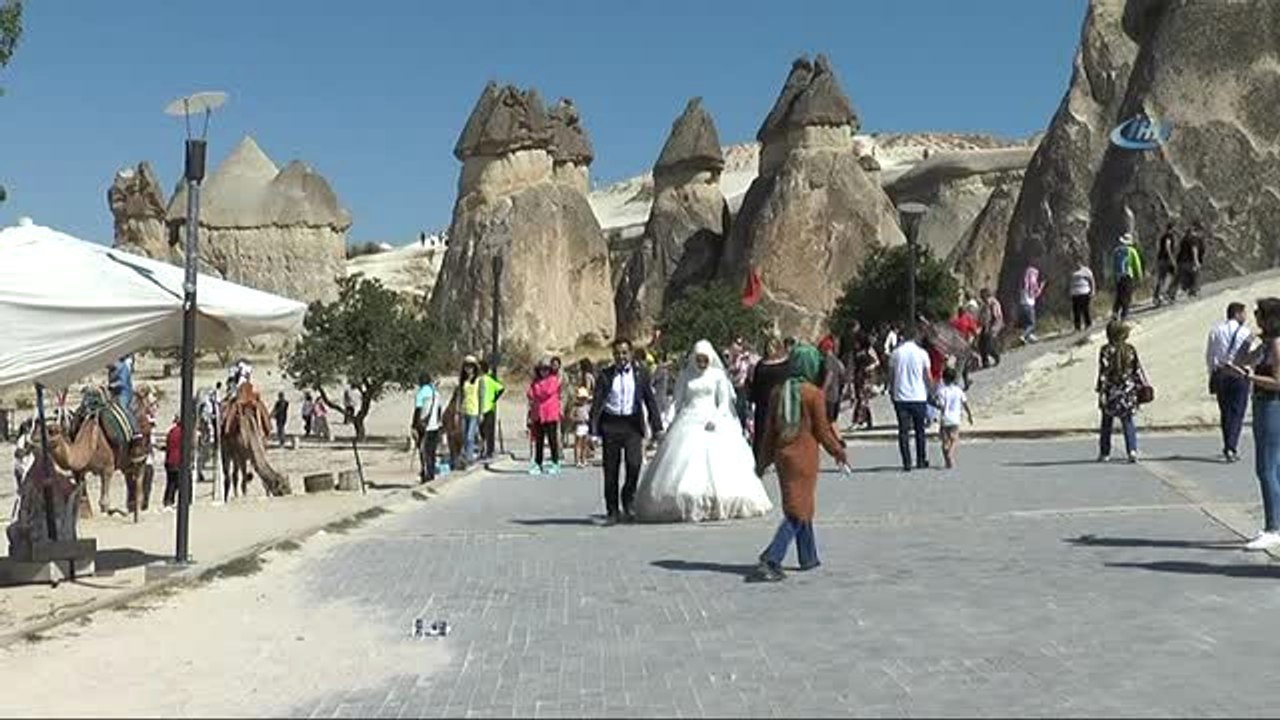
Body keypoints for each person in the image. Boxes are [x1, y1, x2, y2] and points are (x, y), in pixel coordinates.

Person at [634, 340, 773, 523]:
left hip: (712, 420)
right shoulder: (686, 376)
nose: (702, 363)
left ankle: (716, 500)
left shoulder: (717, 376)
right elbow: (677, 401)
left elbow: (724, 403)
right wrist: (667, 421)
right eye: (698, 359)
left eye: (705, 359)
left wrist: (716, 418)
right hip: (688, 419)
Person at [752, 343, 849, 582]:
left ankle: (808, 556)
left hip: (783, 457)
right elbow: (823, 432)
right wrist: (838, 451)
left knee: (800, 503)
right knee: (797, 510)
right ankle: (772, 557)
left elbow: (769, 433)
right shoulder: (813, 394)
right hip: (805, 458)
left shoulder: (778, 392)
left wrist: (762, 461)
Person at [1224, 298, 1280, 550]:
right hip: (1262, 403)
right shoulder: (1266, 343)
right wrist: (1248, 340)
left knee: (1266, 468)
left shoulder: (1277, 345)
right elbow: (1240, 360)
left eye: (1260, 313)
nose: (1256, 317)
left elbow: (1278, 382)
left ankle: (1273, 528)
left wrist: (1251, 377)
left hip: (1272, 404)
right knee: (1273, 468)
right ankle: (1275, 523)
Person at [589, 339, 664, 525]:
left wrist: (657, 427)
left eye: (624, 353)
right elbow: (597, 403)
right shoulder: (605, 375)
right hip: (611, 424)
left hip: (632, 425)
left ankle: (628, 498)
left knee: (634, 464)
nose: (621, 357)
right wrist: (593, 431)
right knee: (610, 470)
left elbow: (650, 401)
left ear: (630, 354)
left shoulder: (641, 374)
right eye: (617, 353)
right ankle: (612, 511)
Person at [1096, 320, 1148, 463]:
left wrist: (1100, 390)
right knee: (1128, 421)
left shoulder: (1106, 350)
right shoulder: (1130, 349)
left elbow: (1103, 373)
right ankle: (1132, 450)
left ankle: (1105, 453)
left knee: (1107, 422)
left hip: (1111, 391)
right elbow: (1137, 370)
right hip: (1128, 391)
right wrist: (1140, 387)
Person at [1206, 302, 1252, 463]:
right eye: (1244, 313)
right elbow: (1249, 356)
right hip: (1239, 374)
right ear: (1237, 314)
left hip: (1221, 374)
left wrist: (1212, 374)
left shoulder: (1216, 331)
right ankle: (1231, 446)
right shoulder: (1246, 332)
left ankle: (1228, 444)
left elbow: (1210, 355)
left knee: (1225, 411)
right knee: (1237, 412)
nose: (1245, 317)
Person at [889, 326, 933, 472]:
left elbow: (891, 376)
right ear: (916, 337)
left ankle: (906, 462)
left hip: (901, 396)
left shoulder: (896, 353)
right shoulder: (922, 353)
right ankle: (921, 459)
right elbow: (927, 376)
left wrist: (891, 391)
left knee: (903, 431)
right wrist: (931, 391)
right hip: (919, 396)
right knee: (920, 430)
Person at [748, 333, 791, 462]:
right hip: (771, 403)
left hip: (773, 402)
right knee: (769, 431)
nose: (770, 350)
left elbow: (788, 382)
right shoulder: (765, 364)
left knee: (771, 431)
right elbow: (756, 384)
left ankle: (771, 458)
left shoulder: (779, 364)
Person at [527, 358, 563, 475]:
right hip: (538, 414)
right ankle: (538, 463)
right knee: (539, 441)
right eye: (542, 369)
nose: (544, 371)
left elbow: (546, 392)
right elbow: (530, 394)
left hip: (550, 414)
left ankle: (555, 462)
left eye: (546, 369)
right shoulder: (535, 382)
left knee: (552, 440)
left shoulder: (553, 380)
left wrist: (537, 391)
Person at [932, 367, 974, 469]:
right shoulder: (958, 390)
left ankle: (948, 461)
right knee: (954, 439)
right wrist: (969, 415)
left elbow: (941, 405)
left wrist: (935, 404)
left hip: (945, 418)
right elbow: (965, 403)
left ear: (943, 379)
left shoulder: (941, 391)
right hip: (955, 419)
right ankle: (950, 453)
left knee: (945, 441)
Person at [411, 372, 443, 484]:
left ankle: (426, 475)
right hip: (435, 426)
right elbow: (439, 410)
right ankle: (431, 474)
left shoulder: (421, 393)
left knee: (423, 452)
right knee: (432, 452)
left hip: (424, 427)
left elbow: (418, 410)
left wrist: (413, 426)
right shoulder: (436, 393)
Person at [849, 334, 880, 431]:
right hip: (858, 377)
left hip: (866, 378)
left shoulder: (869, 350)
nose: (855, 344)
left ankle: (857, 421)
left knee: (862, 400)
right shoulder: (855, 352)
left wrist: (870, 367)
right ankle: (868, 421)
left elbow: (877, 362)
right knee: (862, 400)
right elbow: (853, 364)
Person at [1111, 232, 1144, 321]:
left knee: (1119, 295)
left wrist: (1114, 277)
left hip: (1118, 276)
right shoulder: (1132, 251)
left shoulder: (1116, 251)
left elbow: (1113, 265)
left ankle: (1115, 312)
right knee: (1127, 296)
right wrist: (1139, 276)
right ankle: (1124, 315)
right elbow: (1137, 264)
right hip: (1128, 276)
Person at [479, 360, 505, 461]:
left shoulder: (486, 379)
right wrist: (495, 398)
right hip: (485, 408)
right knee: (485, 431)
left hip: (487, 408)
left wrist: (494, 399)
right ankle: (486, 450)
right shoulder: (484, 380)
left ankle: (488, 451)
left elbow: (501, 388)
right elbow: (501, 389)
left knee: (485, 431)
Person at [458, 356, 482, 464]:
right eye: (466, 366)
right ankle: (466, 455)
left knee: (469, 436)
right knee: (464, 436)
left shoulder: (479, 381)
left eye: (471, 366)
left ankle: (469, 458)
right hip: (464, 411)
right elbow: (461, 396)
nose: (468, 369)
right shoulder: (463, 381)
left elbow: (481, 397)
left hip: (474, 411)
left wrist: (481, 413)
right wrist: (458, 410)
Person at [1173, 222, 1206, 300]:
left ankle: (1182, 292)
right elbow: (1194, 250)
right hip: (1190, 262)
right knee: (1195, 277)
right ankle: (1192, 293)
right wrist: (1196, 261)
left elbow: (1179, 250)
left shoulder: (1185, 239)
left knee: (1185, 279)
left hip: (1182, 262)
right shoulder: (1194, 239)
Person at [817, 336, 846, 424]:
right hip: (835, 394)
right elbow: (842, 372)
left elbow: (829, 375)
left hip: (828, 395)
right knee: (831, 420)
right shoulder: (837, 360)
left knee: (827, 420)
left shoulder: (828, 359)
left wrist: (822, 391)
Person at [977, 288, 1004, 368]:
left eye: (982, 296)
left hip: (993, 326)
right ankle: (985, 362)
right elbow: (981, 316)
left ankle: (996, 356)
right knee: (981, 344)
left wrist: (991, 328)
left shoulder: (993, 303)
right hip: (985, 326)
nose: (981, 298)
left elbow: (996, 317)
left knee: (988, 345)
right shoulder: (984, 304)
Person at [1153, 222, 1178, 306]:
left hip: (1161, 259)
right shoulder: (1169, 236)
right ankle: (1167, 294)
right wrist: (1171, 259)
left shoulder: (1163, 237)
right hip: (1166, 260)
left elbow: (1158, 248)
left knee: (1161, 278)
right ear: (1172, 228)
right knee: (1174, 276)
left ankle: (1157, 296)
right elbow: (1167, 246)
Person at [1020, 266, 1046, 344]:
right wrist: (1041, 286)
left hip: (1022, 306)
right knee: (1032, 324)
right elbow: (1036, 295)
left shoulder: (1023, 284)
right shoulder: (1033, 284)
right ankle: (1023, 336)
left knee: (1027, 324)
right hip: (1029, 305)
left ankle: (1029, 338)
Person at [163, 416, 183, 510]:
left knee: (170, 483)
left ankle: (168, 501)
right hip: (178, 460)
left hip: (169, 460)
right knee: (178, 483)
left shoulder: (171, 431)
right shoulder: (183, 432)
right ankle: (176, 501)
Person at [1069, 262, 1096, 331]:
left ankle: (1088, 324)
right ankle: (1077, 326)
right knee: (1076, 311)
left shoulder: (1086, 271)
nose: (1076, 264)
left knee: (1085, 309)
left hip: (1084, 292)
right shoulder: (1072, 271)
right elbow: (1071, 282)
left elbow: (1092, 280)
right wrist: (1070, 291)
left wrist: (1092, 290)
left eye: (1078, 263)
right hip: (1075, 293)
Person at [572, 387, 592, 468]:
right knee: (578, 444)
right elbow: (571, 417)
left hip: (586, 426)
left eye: (584, 398)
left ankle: (584, 459)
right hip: (579, 426)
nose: (583, 400)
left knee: (585, 444)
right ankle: (577, 460)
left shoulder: (588, 407)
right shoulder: (576, 407)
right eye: (581, 398)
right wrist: (577, 419)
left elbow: (591, 415)